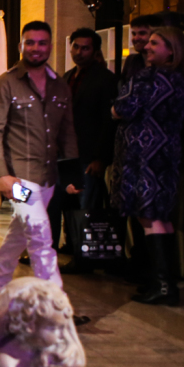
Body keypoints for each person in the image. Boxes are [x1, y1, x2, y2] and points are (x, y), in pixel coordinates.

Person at [0, 22, 81, 305]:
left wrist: (73, 174)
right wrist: (2, 176)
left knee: (21, 232)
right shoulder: (5, 84)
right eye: (30, 42)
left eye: (41, 43)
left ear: (50, 46)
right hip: (18, 180)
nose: (36, 48)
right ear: (21, 46)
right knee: (40, 234)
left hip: (48, 177)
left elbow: (68, 132)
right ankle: (56, 304)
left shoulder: (60, 86)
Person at [111, 26, 184, 305]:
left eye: (154, 43)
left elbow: (121, 109)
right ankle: (166, 282)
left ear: (171, 49)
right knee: (162, 216)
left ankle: (161, 285)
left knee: (149, 216)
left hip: (142, 155)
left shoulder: (148, 77)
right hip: (168, 152)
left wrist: (116, 108)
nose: (146, 46)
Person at [53, 28, 118, 269]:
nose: (80, 52)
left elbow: (107, 121)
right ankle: (71, 245)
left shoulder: (106, 79)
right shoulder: (67, 76)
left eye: (86, 48)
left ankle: (85, 258)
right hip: (65, 154)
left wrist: (101, 158)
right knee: (68, 203)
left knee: (86, 205)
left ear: (95, 51)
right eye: (76, 47)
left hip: (89, 154)